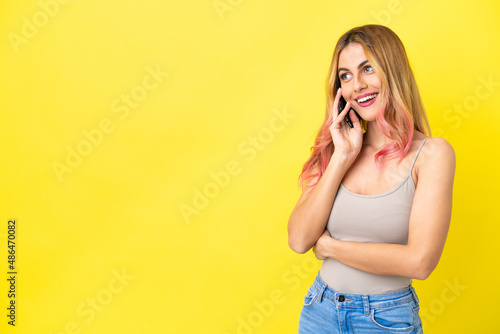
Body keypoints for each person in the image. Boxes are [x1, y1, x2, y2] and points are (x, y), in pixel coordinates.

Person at [287, 24, 456, 333]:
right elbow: (299, 240)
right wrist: (341, 157)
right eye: (346, 76)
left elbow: (419, 262)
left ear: (392, 71)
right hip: (319, 311)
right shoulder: (338, 150)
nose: (357, 85)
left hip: (384, 320)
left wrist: (331, 247)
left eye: (368, 69)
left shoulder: (433, 154)